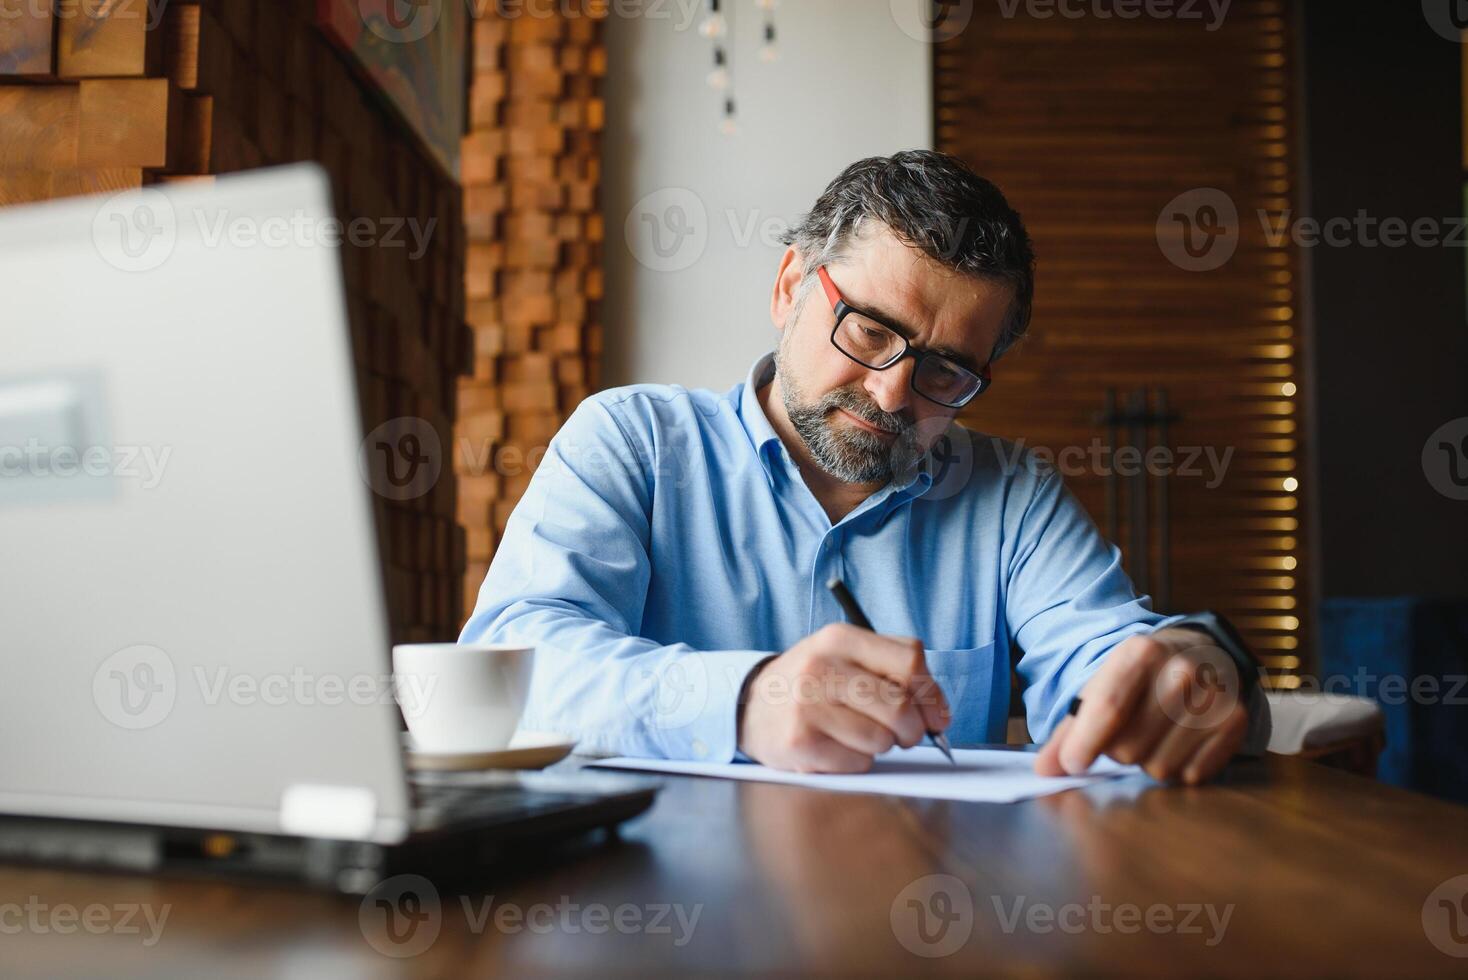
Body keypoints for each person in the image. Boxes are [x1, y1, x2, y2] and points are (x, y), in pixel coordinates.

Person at [461, 150, 1269, 783]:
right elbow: (511, 666)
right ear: (789, 287)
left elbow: (1109, 663)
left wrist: (1195, 666)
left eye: (946, 370)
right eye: (871, 330)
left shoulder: (1012, 495)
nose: (891, 391)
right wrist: (744, 702)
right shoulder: (632, 441)